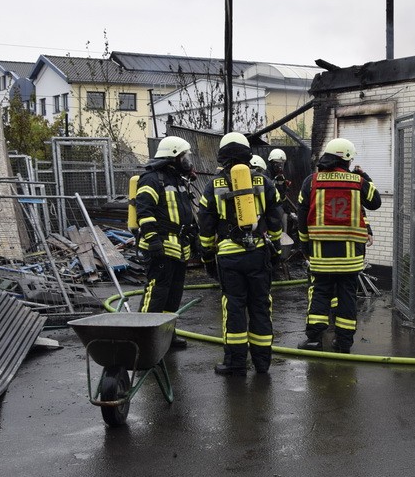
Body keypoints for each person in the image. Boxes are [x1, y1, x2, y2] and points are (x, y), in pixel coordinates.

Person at [197, 132, 284, 376]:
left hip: (229, 256)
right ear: (248, 154)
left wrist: (207, 257)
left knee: (234, 307)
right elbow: (276, 220)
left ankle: (235, 363)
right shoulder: (263, 181)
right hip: (258, 253)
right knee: (260, 305)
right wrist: (275, 250)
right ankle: (262, 363)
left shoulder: (212, 186)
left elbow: (205, 226)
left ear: (222, 156)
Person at [296, 137, 381, 353]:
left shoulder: (311, 181)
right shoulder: (357, 182)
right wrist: (364, 175)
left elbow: (302, 217)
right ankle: (343, 343)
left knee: (320, 292)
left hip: (321, 254)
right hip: (351, 256)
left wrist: (305, 246)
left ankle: (314, 339)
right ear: (348, 160)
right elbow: (375, 202)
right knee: (347, 296)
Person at [135, 136, 198, 349]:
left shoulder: (178, 180)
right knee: (157, 293)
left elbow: (186, 211)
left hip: (179, 248)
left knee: (173, 295)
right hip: (161, 246)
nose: (188, 159)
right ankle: (143, 339)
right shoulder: (152, 179)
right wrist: (153, 241)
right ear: (173, 156)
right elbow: (144, 212)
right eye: (184, 156)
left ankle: (166, 336)